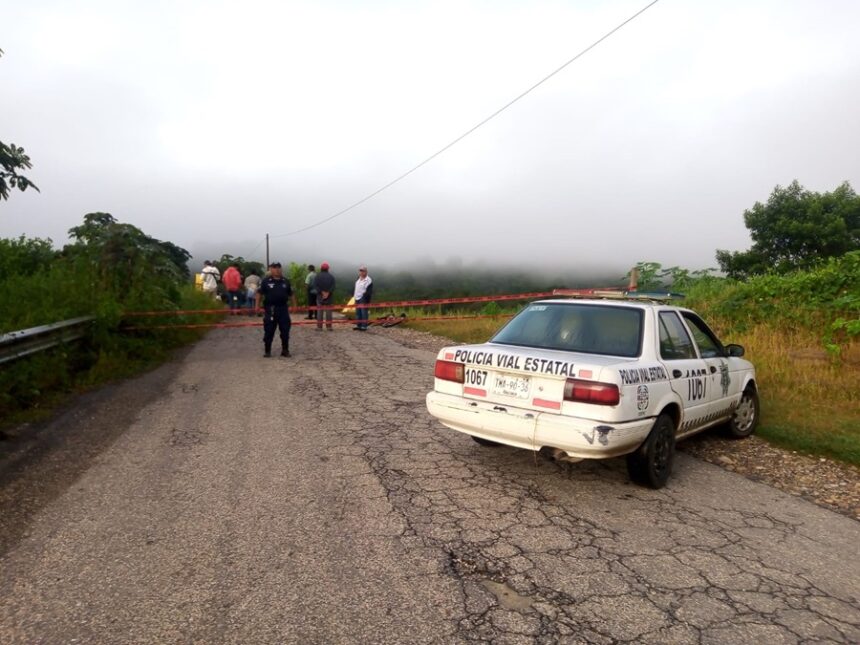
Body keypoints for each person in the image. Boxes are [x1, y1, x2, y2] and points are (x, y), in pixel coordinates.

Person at [256, 262, 297, 357]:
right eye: (274, 267)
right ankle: (267, 351)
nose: (277, 269)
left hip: (283, 309)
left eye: (279, 267)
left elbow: (291, 294)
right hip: (271, 309)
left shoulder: (285, 281)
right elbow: (259, 293)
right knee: (269, 331)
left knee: (285, 331)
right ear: (270, 269)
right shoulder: (266, 281)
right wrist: (257, 306)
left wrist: (295, 305)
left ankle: (285, 350)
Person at [313, 262, 335, 331]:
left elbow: (315, 286)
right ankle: (329, 327)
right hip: (329, 297)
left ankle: (319, 327)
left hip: (320, 296)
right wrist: (328, 292)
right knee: (329, 312)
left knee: (320, 312)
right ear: (328, 269)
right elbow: (333, 286)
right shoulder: (331, 277)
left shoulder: (317, 276)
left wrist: (322, 292)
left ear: (321, 268)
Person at [353, 265, 373, 331]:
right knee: (358, 312)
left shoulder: (369, 280)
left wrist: (365, 296)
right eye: (360, 271)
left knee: (364, 312)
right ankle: (359, 325)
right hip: (356, 297)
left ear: (366, 272)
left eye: (363, 271)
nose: (361, 272)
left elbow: (369, 290)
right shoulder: (358, 278)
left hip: (363, 298)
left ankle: (364, 326)